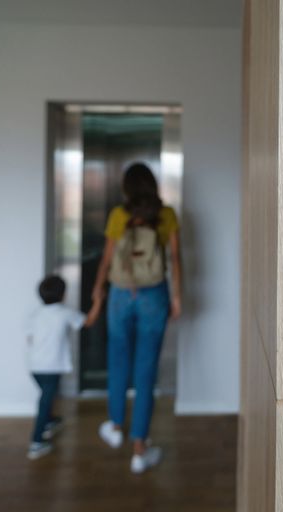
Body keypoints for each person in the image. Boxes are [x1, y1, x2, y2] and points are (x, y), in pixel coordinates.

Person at [90, 162, 182, 474]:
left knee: (118, 359)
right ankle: (140, 448)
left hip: (120, 293)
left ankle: (115, 426)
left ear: (127, 188)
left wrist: (97, 291)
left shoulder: (119, 215)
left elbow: (106, 258)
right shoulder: (166, 215)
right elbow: (174, 258)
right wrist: (177, 297)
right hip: (154, 295)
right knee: (146, 369)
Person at [25, 275, 99, 460]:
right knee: (45, 401)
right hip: (52, 366)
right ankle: (36, 443)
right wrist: (98, 301)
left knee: (47, 396)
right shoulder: (65, 313)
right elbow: (88, 322)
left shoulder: (35, 314)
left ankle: (49, 421)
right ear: (63, 294)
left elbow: (30, 339)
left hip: (34, 366)